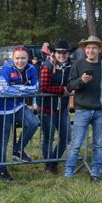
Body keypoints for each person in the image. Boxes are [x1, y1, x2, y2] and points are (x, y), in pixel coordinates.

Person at [64, 36, 102, 181]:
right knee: (76, 143)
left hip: (100, 110)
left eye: (94, 48)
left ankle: (96, 172)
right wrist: (81, 81)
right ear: (84, 49)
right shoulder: (77, 65)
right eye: (88, 48)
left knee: (99, 144)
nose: (91, 50)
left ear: (100, 50)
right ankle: (69, 172)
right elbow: (70, 85)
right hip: (82, 109)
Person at [0, 47, 39, 181]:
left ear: (27, 58)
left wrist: (17, 89)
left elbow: (35, 88)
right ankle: (2, 171)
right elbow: (3, 90)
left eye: (23, 58)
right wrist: (25, 89)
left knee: (34, 123)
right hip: (1, 108)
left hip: (18, 106)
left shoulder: (31, 69)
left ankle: (17, 150)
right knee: (3, 140)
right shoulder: (6, 69)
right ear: (13, 58)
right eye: (17, 58)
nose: (20, 61)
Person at [39, 39, 73, 175]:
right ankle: (49, 166)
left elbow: (72, 83)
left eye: (64, 53)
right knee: (49, 137)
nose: (62, 56)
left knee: (66, 137)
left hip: (63, 108)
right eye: (59, 53)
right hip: (47, 107)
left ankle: (53, 162)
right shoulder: (47, 66)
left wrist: (69, 88)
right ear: (54, 53)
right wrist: (62, 90)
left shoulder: (71, 66)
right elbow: (44, 87)